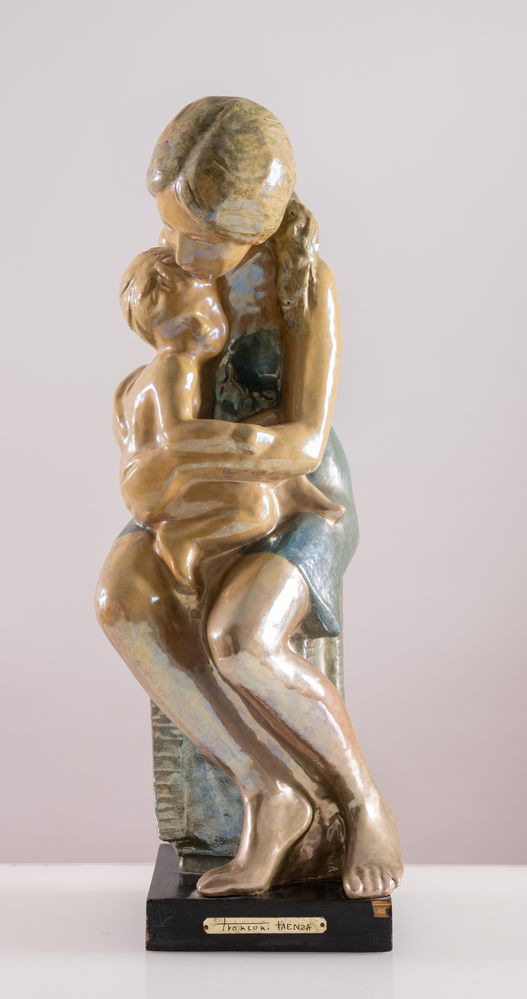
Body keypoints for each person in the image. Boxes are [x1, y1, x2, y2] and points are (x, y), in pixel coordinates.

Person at [96, 96, 403, 898]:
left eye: (201, 238)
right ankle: (267, 788)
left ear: (256, 227)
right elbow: (147, 424)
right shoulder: (169, 282)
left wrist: (193, 451)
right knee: (121, 598)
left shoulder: (303, 288)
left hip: (299, 502)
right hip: (196, 501)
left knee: (241, 637)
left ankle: (360, 801)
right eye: (168, 228)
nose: (179, 251)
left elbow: (302, 440)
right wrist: (164, 453)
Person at [116, 246, 343, 592]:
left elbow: (126, 423)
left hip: (151, 482)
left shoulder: (147, 376)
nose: (202, 330)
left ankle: (296, 491)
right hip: (162, 484)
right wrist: (242, 441)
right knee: (257, 509)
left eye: (207, 311)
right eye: (187, 324)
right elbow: (177, 437)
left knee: (263, 451)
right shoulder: (176, 368)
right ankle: (183, 539)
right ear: (154, 334)